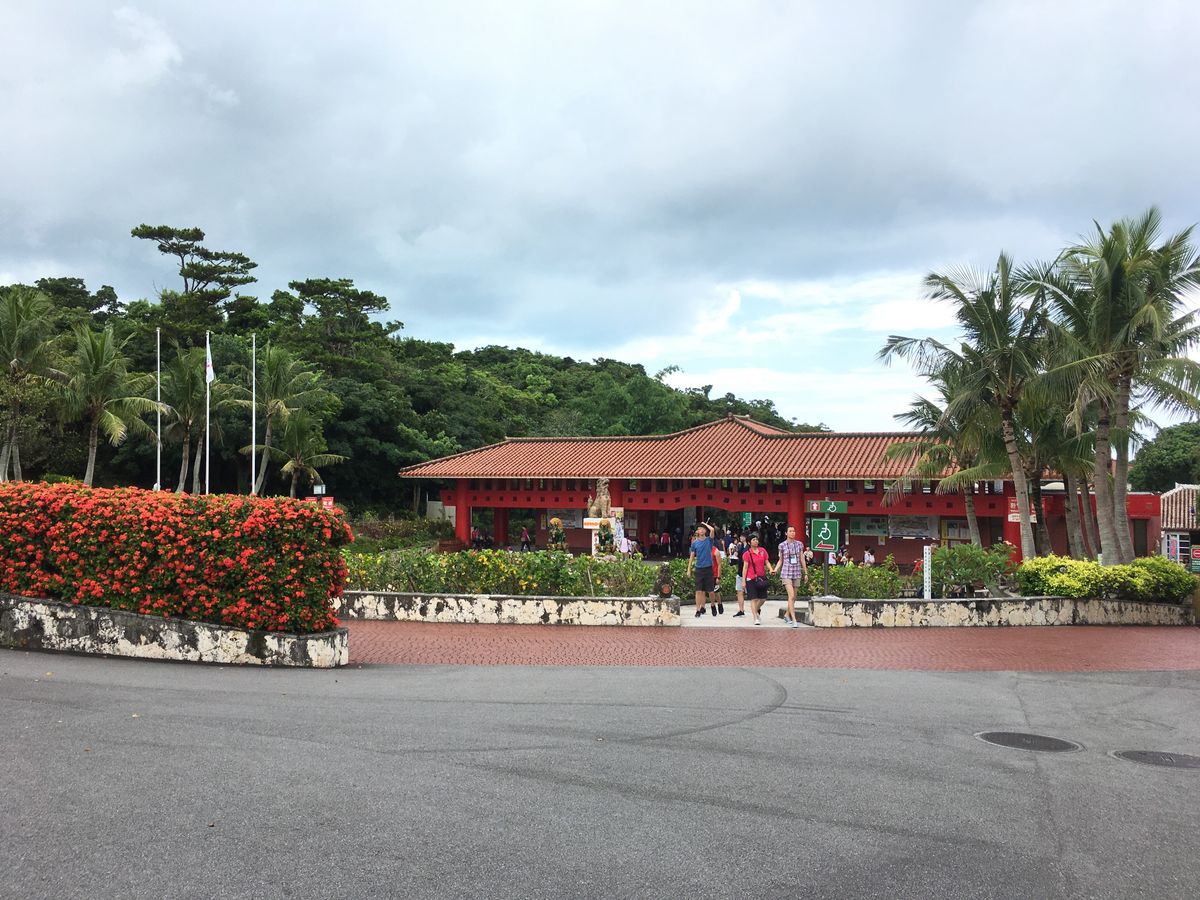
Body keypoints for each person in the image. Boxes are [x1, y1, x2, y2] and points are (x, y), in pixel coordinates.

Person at [773, 524, 809, 628]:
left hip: (796, 572)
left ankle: (786, 614)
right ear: (786, 533)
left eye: (793, 531)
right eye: (790, 531)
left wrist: (806, 572)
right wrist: (775, 569)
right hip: (786, 572)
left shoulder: (799, 544)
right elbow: (781, 560)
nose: (792, 533)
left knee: (794, 597)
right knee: (791, 595)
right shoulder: (782, 545)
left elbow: (802, 559)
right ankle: (794, 619)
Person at [686, 523, 716, 616]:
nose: (701, 530)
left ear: (705, 531)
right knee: (698, 590)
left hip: (708, 568)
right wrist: (689, 569)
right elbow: (692, 556)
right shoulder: (695, 543)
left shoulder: (709, 540)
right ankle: (698, 610)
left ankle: (712, 605)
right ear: (697, 531)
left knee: (711, 591)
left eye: (703, 529)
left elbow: (712, 530)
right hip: (699, 569)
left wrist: (704, 524)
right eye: (699, 529)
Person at [742, 534, 771, 624]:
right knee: (753, 598)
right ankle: (755, 618)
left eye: (756, 539)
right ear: (749, 542)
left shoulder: (762, 551)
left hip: (761, 578)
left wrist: (771, 569)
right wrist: (743, 581)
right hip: (750, 578)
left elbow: (767, 562)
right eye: (753, 540)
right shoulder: (747, 554)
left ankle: (756, 610)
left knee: (763, 598)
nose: (756, 541)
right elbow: (745, 568)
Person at [727, 533, 745, 616]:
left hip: (748, 573)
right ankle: (741, 610)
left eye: (743, 536)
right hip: (740, 572)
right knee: (739, 591)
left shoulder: (748, 548)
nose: (741, 538)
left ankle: (756, 609)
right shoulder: (740, 546)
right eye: (740, 536)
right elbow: (737, 557)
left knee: (752, 593)